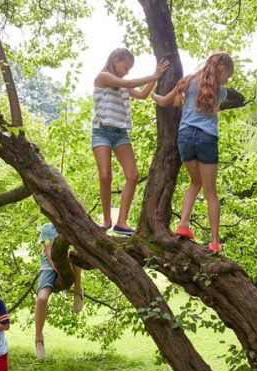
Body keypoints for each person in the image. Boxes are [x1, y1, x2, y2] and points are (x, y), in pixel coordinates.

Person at [151, 52, 235, 252]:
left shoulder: (187, 81)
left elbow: (163, 101)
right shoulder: (221, 92)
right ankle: (214, 241)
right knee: (210, 192)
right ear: (222, 69)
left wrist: (152, 93)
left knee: (195, 182)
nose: (227, 80)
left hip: (185, 137)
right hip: (207, 138)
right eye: (228, 75)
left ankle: (183, 224)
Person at [92, 48, 170, 235]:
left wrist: (157, 77)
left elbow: (142, 95)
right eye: (126, 66)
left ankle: (122, 222)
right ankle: (106, 219)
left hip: (120, 134)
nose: (127, 71)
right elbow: (128, 82)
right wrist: (154, 74)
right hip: (101, 131)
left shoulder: (124, 85)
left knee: (133, 175)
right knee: (104, 175)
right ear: (116, 59)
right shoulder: (103, 77)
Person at [34, 222, 83, 361]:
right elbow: (49, 252)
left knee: (76, 253)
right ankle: (38, 339)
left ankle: (78, 291)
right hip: (48, 266)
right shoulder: (47, 228)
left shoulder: (71, 223)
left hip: (69, 261)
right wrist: (58, 269)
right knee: (42, 298)